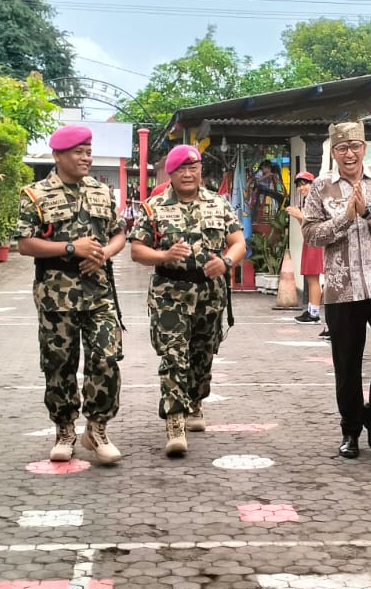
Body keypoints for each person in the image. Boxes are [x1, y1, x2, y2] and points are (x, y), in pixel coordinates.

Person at [301, 121, 371, 460]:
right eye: (342, 148)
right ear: (333, 152)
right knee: (347, 364)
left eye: (355, 146)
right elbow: (310, 234)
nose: (349, 153)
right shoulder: (321, 187)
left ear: (364, 148)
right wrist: (345, 219)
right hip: (341, 287)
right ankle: (350, 430)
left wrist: (368, 212)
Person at [17, 125, 126, 465]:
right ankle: (65, 429)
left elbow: (119, 234)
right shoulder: (35, 194)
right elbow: (25, 244)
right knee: (59, 365)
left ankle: (97, 427)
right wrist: (70, 248)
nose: (86, 158)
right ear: (58, 155)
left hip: (99, 292)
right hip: (56, 294)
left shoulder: (102, 192)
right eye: (79, 152)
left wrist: (104, 254)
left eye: (88, 152)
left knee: (106, 357)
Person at [130, 145, 246, 457]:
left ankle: (195, 401)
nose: (187, 174)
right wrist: (164, 255)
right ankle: (174, 421)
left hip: (209, 295)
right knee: (173, 356)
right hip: (169, 293)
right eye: (181, 168)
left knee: (202, 357)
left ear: (200, 171)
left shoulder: (218, 203)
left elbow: (238, 242)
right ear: (170, 173)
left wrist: (226, 262)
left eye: (192, 168)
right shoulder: (154, 206)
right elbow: (137, 250)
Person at [288, 171, 324, 327]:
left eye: (305, 184)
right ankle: (311, 310)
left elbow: (316, 224)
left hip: (316, 242)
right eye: (299, 185)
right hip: (309, 240)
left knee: (313, 278)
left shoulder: (317, 200)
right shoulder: (307, 201)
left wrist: (299, 215)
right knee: (310, 278)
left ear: (312, 184)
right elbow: (305, 226)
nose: (302, 188)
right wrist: (298, 216)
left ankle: (314, 314)